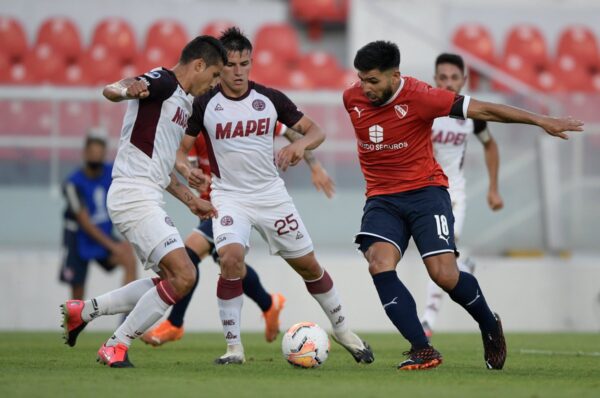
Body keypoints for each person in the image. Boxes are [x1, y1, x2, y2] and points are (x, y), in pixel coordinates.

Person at [344, 40, 583, 370]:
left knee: (443, 274)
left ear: (395, 75)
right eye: (361, 79)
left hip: (427, 194)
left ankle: (489, 324)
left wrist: (541, 120)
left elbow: (484, 110)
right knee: (378, 263)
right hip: (382, 198)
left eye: (372, 81)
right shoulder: (351, 98)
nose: (364, 88)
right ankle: (422, 348)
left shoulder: (422, 96)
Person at [181, 27, 373, 365]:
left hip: (271, 196)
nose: (238, 71)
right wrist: (186, 169)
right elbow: (180, 150)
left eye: (245, 63)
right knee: (229, 259)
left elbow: (317, 130)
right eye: (231, 65)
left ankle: (343, 331)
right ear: (219, 66)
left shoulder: (270, 99)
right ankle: (233, 348)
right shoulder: (204, 104)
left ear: (251, 62)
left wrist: (299, 145)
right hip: (229, 197)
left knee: (309, 267)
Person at [60, 35, 227, 368]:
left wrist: (191, 200)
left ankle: (84, 311)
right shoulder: (163, 81)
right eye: (214, 76)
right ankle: (116, 345)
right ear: (198, 65)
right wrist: (124, 90)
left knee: (171, 278)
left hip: (146, 192)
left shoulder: (184, 102)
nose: (214, 84)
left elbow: (161, 169)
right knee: (184, 275)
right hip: (133, 194)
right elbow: (113, 89)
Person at [141, 123, 335, 346]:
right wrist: (191, 175)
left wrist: (315, 165)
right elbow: (183, 158)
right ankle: (268, 303)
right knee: (230, 265)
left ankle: (175, 324)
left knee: (188, 257)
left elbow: (290, 131)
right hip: (209, 204)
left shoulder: (239, 119)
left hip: (235, 204)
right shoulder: (195, 125)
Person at [421, 53, 504, 337]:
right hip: (420, 192)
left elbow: (490, 145)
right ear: (435, 80)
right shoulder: (425, 110)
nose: (448, 83)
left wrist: (493, 187)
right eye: (442, 78)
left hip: (452, 193)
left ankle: (427, 321)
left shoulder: (470, 115)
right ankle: (465, 266)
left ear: (463, 81)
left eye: (454, 78)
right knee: (440, 262)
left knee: (441, 255)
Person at [59, 132, 137, 300]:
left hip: (103, 235)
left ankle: (127, 320)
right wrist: (113, 246)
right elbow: (84, 221)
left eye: (100, 153)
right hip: (78, 240)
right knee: (77, 295)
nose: (96, 158)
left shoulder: (110, 173)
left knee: (129, 258)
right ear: (85, 153)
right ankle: (73, 324)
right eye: (92, 153)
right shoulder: (72, 183)